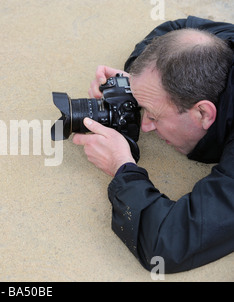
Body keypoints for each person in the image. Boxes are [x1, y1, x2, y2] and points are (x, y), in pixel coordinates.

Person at [72, 16, 234, 273]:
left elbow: (167, 244)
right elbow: (178, 29)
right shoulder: (225, 42)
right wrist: (139, 81)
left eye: (153, 115)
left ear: (203, 113)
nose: (144, 125)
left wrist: (122, 168)